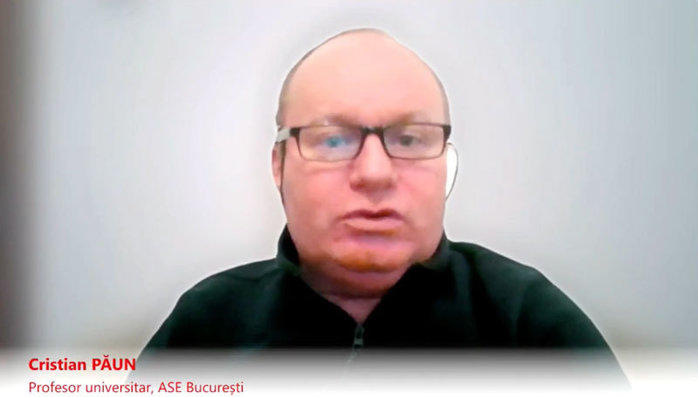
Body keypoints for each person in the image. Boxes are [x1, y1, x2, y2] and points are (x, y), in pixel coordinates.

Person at [140, 29, 621, 365]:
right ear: (279, 166)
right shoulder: (207, 327)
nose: (374, 173)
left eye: (409, 139)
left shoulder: (526, 321)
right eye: (333, 140)